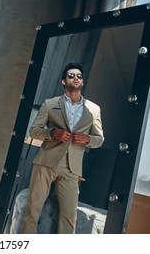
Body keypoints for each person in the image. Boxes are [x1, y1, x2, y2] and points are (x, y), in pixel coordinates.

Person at [20, 63, 104, 234]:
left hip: (72, 168)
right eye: (71, 75)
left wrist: (87, 138)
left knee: (68, 216)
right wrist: (53, 133)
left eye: (79, 76)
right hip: (46, 162)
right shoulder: (50, 104)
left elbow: (99, 139)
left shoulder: (94, 109)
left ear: (83, 81)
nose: (76, 78)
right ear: (63, 81)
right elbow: (33, 131)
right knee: (32, 209)